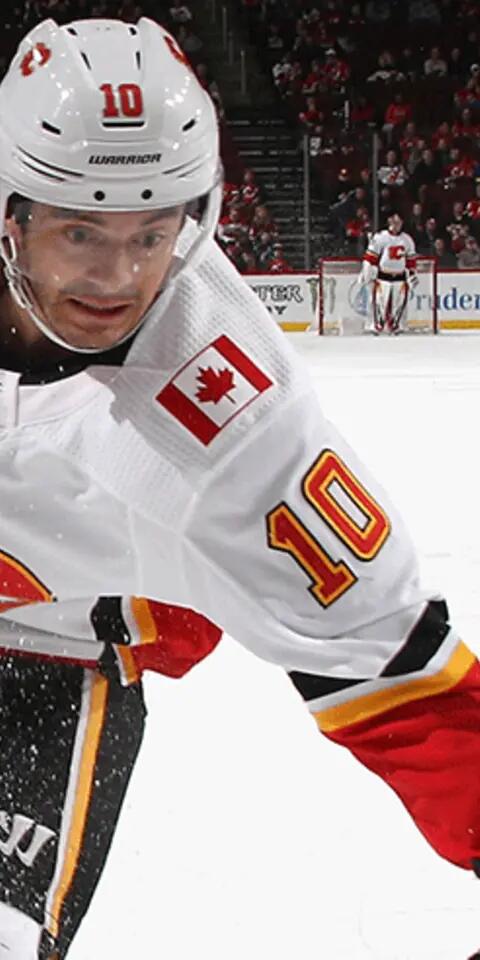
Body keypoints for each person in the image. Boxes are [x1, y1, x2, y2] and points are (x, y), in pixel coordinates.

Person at [1, 16, 480, 960]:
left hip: (39, 649)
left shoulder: (240, 440)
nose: (119, 276)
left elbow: (401, 673)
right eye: (80, 231)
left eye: (153, 232)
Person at [358, 212, 418, 333]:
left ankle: (397, 325)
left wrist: (412, 274)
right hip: (382, 277)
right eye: (394, 222)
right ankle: (374, 324)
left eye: (399, 222)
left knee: (399, 303)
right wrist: (367, 271)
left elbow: (411, 261)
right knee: (378, 302)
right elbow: (370, 258)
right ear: (389, 222)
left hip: (400, 277)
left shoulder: (407, 239)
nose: (396, 225)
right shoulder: (380, 237)